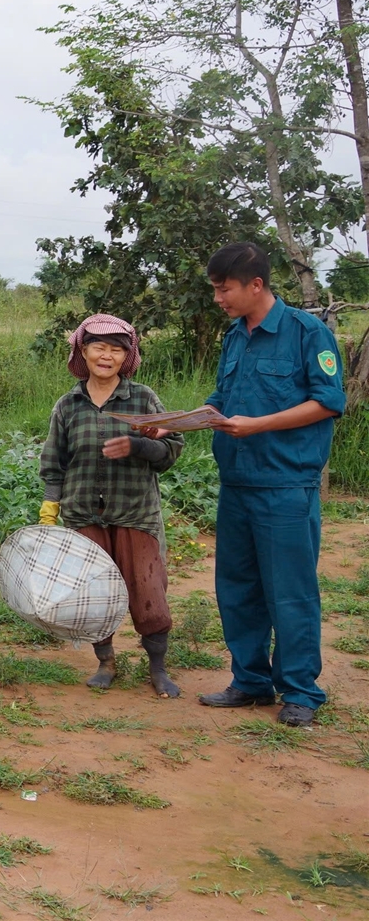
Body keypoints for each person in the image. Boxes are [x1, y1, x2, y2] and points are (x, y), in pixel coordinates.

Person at [195, 242, 345, 727]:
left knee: (290, 591)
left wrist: (259, 425)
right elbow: (223, 396)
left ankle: (301, 691)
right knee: (237, 587)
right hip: (237, 481)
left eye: (225, 289)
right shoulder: (234, 337)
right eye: (216, 289)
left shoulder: (307, 332)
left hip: (285, 484)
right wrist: (178, 422)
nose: (219, 298)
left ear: (255, 285)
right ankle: (251, 682)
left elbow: (328, 402)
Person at [38, 314, 184, 697]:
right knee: (94, 593)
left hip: (135, 512)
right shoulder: (67, 405)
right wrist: (50, 508)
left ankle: (158, 669)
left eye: (117, 349)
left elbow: (170, 451)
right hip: (83, 514)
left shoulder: (143, 398)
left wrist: (137, 445)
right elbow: (54, 464)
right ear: (82, 351)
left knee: (147, 590)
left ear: (127, 356)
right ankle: (106, 662)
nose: (107, 355)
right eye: (99, 347)